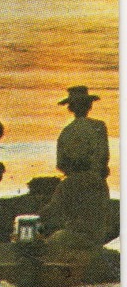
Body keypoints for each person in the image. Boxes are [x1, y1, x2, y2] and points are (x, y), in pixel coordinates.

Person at [41, 86, 117, 249]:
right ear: (89, 106)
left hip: (72, 183)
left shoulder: (66, 132)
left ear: (70, 108)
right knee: (97, 225)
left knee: (74, 224)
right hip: (96, 182)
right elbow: (104, 158)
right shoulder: (99, 127)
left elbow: (61, 164)